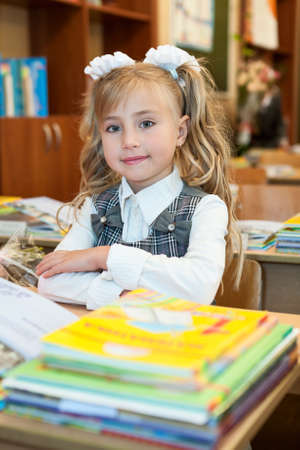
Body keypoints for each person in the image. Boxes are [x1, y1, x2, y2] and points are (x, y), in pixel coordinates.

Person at [36, 45, 242, 309]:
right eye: (113, 128)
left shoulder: (206, 209)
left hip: (181, 345)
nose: (129, 141)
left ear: (180, 132)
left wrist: (103, 257)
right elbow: (50, 281)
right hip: (108, 343)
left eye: (146, 124)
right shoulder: (96, 207)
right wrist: (126, 297)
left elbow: (198, 288)